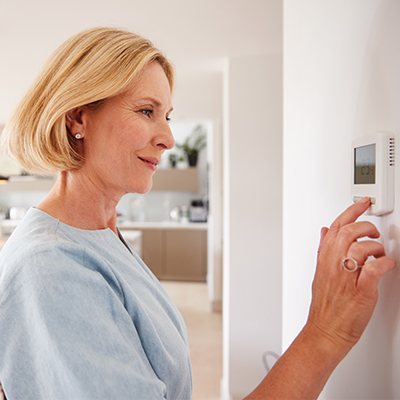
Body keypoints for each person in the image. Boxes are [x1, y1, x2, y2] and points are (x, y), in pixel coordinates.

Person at [0, 26, 395, 400]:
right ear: (77, 118)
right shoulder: (51, 268)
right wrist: (324, 334)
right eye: (146, 111)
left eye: (167, 115)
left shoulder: (100, 234)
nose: (169, 138)